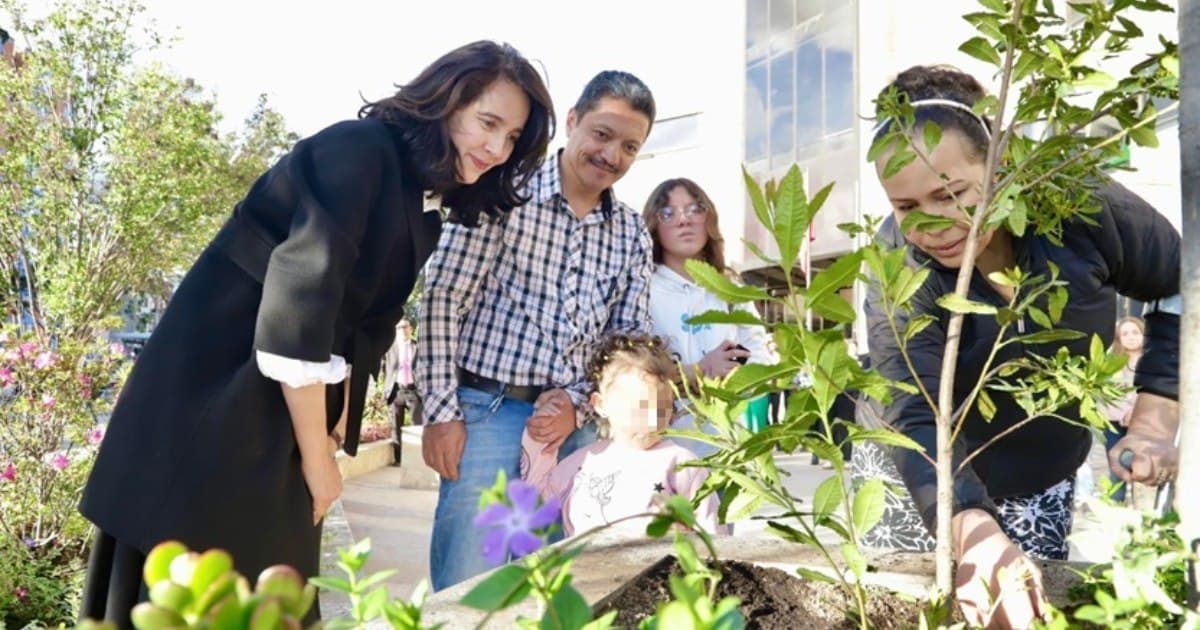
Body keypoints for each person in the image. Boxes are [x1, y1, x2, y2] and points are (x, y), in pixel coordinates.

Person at [77, 40, 554, 626]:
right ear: (444, 102)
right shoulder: (358, 152)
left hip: (273, 408)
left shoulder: (422, 201)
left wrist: (328, 435)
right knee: (196, 586)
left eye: (511, 139)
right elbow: (299, 306)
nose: (496, 149)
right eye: (488, 123)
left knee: (265, 593)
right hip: (216, 399)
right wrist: (319, 460)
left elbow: (365, 327)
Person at [857, 64, 1180, 628]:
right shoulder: (894, 266)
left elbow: (1181, 283)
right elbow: (914, 406)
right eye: (906, 207)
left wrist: (1154, 416)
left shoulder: (1084, 208)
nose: (933, 223)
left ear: (1000, 162)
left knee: (1026, 612)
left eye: (951, 193)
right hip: (921, 485)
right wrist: (969, 525)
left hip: (1040, 475)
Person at [417, 70, 657, 591]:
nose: (612, 154)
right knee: (470, 589)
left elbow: (629, 338)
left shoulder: (633, 231)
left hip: (578, 432)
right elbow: (443, 298)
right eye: (601, 134)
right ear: (572, 121)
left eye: (630, 146)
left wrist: (580, 403)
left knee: (562, 587)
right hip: (486, 416)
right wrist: (439, 414)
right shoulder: (502, 194)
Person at [539, 333, 721, 537]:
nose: (653, 421)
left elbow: (711, 532)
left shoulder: (681, 465)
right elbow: (536, 507)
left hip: (659, 568)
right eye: (640, 409)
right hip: (587, 567)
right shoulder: (580, 465)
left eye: (663, 408)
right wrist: (538, 444)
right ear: (600, 404)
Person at [641, 177, 773, 457]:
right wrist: (698, 372)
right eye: (668, 213)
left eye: (694, 209)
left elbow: (760, 359)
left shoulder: (731, 290)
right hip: (662, 449)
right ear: (653, 226)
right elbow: (633, 376)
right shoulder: (641, 291)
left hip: (726, 445)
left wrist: (736, 371)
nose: (683, 220)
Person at [1097, 316, 1145, 504]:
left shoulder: (1153, 361)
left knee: (1142, 467)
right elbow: (1104, 395)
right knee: (1117, 467)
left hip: (1145, 424)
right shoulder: (1112, 362)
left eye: (1135, 332)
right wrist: (1122, 413)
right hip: (1115, 424)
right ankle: (1114, 508)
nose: (1131, 337)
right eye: (1125, 333)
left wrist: (1135, 411)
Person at [383, 318, 419, 463]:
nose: (403, 330)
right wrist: (385, 388)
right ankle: (399, 459)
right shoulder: (390, 348)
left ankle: (418, 459)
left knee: (418, 425)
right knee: (395, 427)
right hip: (396, 390)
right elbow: (383, 367)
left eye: (405, 327)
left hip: (413, 391)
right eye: (399, 328)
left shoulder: (418, 346)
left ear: (410, 329)